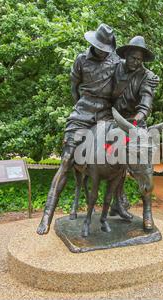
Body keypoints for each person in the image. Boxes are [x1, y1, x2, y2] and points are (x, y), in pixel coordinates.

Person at [37, 23, 120, 235]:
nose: (103, 51)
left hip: (106, 115)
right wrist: (82, 108)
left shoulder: (116, 61)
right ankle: (47, 214)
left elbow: (129, 79)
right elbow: (74, 89)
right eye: (100, 47)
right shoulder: (81, 60)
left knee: (123, 152)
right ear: (93, 43)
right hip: (82, 113)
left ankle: (119, 202)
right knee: (66, 160)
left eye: (106, 48)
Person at [108, 36, 159, 222]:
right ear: (126, 55)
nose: (136, 62)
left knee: (144, 164)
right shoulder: (114, 68)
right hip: (112, 119)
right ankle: (117, 201)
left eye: (140, 59)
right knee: (108, 158)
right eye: (133, 58)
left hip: (135, 123)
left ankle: (147, 211)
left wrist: (134, 124)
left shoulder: (147, 77)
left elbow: (145, 105)